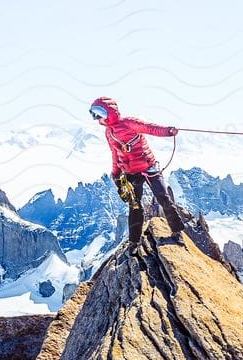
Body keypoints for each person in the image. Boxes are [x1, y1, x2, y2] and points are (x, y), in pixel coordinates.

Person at [89, 96, 211, 252]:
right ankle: (134, 241)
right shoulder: (108, 132)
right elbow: (115, 153)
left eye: (98, 113)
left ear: (109, 112)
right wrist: (115, 172)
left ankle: (177, 232)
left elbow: (150, 128)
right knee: (134, 206)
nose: (96, 118)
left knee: (163, 198)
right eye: (93, 114)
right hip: (130, 171)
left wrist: (168, 131)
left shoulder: (129, 123)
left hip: (148, 166)